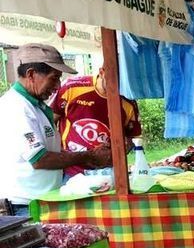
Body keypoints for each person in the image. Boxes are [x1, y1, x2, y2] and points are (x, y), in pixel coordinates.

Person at [0, 44, 112, 216]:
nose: (58, 86)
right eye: (54, 78)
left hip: (42, 200)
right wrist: (88, 156)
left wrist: (85, 158)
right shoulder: (17, 108)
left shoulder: (35, 106)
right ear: (31, 74)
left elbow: (49, 151)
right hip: (25, 206)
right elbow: (40, 159)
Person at [53, 66, 141, 179]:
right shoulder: (71, 87)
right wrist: (59, 154)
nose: (118, 86)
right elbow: (49, 123)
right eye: (115, 80)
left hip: (109, 173)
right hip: (72, 173)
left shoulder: (128, 101)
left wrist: (120, 150)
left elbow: (133, 138)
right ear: (102, 72)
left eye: (123, 81)